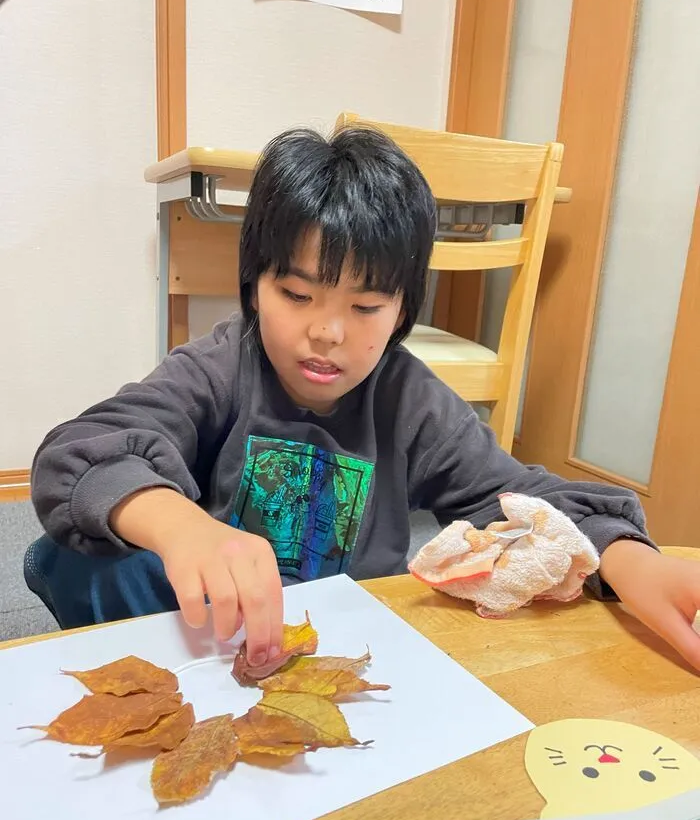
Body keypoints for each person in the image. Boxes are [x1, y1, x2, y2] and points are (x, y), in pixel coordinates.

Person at [25, 126, 700, 673]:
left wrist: (629, 560)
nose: (326, 330)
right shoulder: (222, 365)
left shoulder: (411, 400)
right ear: (253, 282)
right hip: (217, 632)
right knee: (69, 552)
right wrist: (181, 526)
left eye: (366, 305)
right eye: (296, 295)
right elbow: (81, 453)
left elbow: (523, 497)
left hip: (345, 644)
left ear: (404, 307)